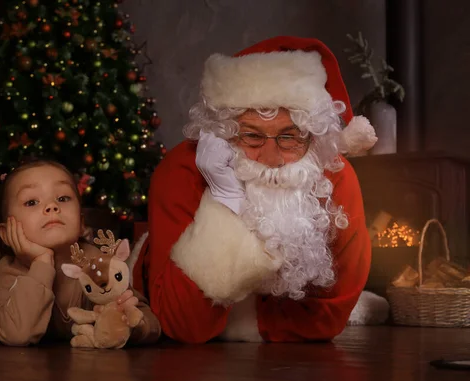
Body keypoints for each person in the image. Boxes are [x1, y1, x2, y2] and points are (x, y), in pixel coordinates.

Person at [138, 36, 378, 344]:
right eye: (251, 136)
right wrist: (225, 201)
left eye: (290, 137)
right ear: (222, 134)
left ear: (315, 137)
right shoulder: (181, 170)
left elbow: (328, 317)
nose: (271, 159)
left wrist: (240, 320)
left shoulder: (336, 178)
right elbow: (182, 324)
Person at [0, 160, 160, 347]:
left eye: (62, 198)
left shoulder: (95, 263)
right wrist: (41, 261)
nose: (51, 207)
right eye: (31, 202)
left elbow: (146, 316)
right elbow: (18, 334)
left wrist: (132, 324)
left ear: (82, 223)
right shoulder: (6, 271)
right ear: (7, 233)